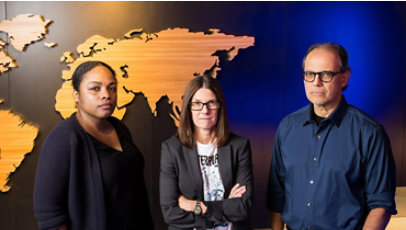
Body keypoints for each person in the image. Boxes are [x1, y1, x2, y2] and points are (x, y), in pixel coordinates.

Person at [266, 43, 397, 230]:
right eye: (310, 74)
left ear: (344, 78)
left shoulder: (369, 132)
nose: (316, 82)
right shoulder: (287, 127)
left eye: (325, 74)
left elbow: (381, 205)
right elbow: (276, 196)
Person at [34, 61, 154, 230]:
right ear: (76, 95)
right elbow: (49, 214)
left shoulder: (120, 128)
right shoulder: (62, 140)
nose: (106, 95)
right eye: (95, 88)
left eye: (112, 88)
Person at [160, 76, 253, 230]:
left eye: (211, 103)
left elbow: (242, 207)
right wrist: (222, 208)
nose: (205, 110)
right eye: (197, 104)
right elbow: (170, 212)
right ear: (188, 108)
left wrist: (199, 206)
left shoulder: (239, 146)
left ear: (220, 107)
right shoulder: (172, 149)